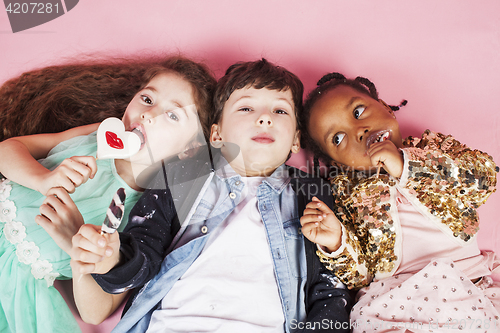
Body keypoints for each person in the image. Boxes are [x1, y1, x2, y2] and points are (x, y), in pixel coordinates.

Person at [70, 59, 352, 333]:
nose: (264, 117)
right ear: (216, 135)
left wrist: (335, 243)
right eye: (246, 108)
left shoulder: (312, 192)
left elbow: (331, 288)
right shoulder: (182, 175)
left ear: (295, 140)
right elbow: (144, 252)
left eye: (280, 112)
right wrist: (112, 259)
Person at [0, 56, 216, 333]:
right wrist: (43, 178)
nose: (148, 114)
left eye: (172, 115)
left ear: (191, 148)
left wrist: (77, 245)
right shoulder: (95, 136)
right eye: (147, 100)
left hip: (12, 285)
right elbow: (8, 149)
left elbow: (95, 313)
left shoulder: (146, 215)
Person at [299, 72, 500, 332]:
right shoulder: (348, 192)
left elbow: (484, 178)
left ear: (385, 109)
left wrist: (407, 165)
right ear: (339, 164)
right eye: (338, 138)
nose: (359, 131)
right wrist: (337, 242)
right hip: (392, 300)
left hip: (463, 287)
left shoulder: (433, 148)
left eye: (358, 112)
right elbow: (361, 275)